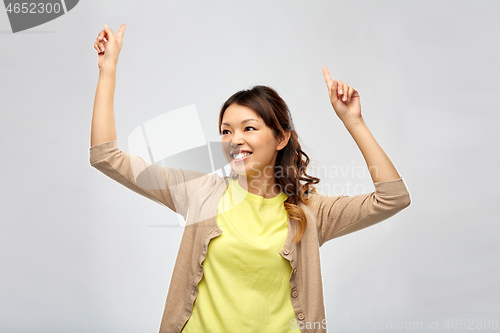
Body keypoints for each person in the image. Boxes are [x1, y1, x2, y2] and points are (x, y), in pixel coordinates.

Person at [90, 24, 411, 333]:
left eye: (249, 128)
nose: (234, 139)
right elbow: (107, 157)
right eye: (226, 131)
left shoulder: (311, 213)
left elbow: (392, 199)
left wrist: (354, 122)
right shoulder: (199, 193)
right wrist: (108, 70)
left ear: (281, 138)